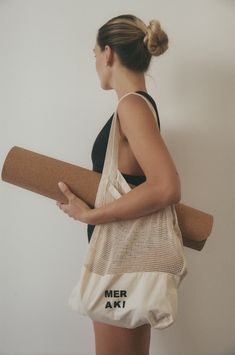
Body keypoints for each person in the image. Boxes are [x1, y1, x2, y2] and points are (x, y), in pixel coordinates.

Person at [57, 14, 181, 355]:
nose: (95, 60)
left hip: (120, 265)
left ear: (109, 53)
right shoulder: (139, 106)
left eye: (95, 52)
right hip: (126, 264)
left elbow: (166, 187)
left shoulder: (131, 107)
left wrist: (91, 215)